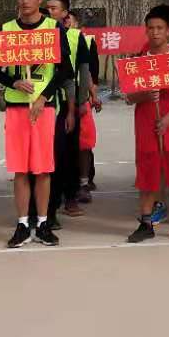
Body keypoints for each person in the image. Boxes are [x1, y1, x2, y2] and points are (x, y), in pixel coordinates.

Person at [0, 0, 73, 248]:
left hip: (43, 108)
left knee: (43, 168)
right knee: (21, 169)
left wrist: (44, 96)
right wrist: (13, 82)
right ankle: (23, 223)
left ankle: (44, 222)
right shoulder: (7, 29)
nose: (24, 1)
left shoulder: (53, 28)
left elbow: (65, 70)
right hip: (16, 107)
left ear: (39, 0)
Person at [125, 5, 169, 243]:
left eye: (159, 28)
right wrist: (145, 95)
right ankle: (146, 222)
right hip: (146, 122)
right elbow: (129, 97)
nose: (155, 32)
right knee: (147, 170)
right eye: (150, 28)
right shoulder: (139, 62)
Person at [43, 0, 88, 223]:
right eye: (47, 8)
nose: (49, 12)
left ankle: (70, 197)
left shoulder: (75, 37)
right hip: (38, 106)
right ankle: (44, 205)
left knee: (68, 154)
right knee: (46, 157)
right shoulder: (34, 36)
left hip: (65, 104)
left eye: (54, 8)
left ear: (64, 13)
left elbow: (80, 72)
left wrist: (79, 103)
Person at [63, 11, 102, 203]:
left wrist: (92, 96)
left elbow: (90, 73)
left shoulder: (85, 40)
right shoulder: (47, 37)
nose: (66, 23)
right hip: (57, 99)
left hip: (80, 97)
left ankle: (85, 182)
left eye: (68, 20)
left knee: (84, 144)